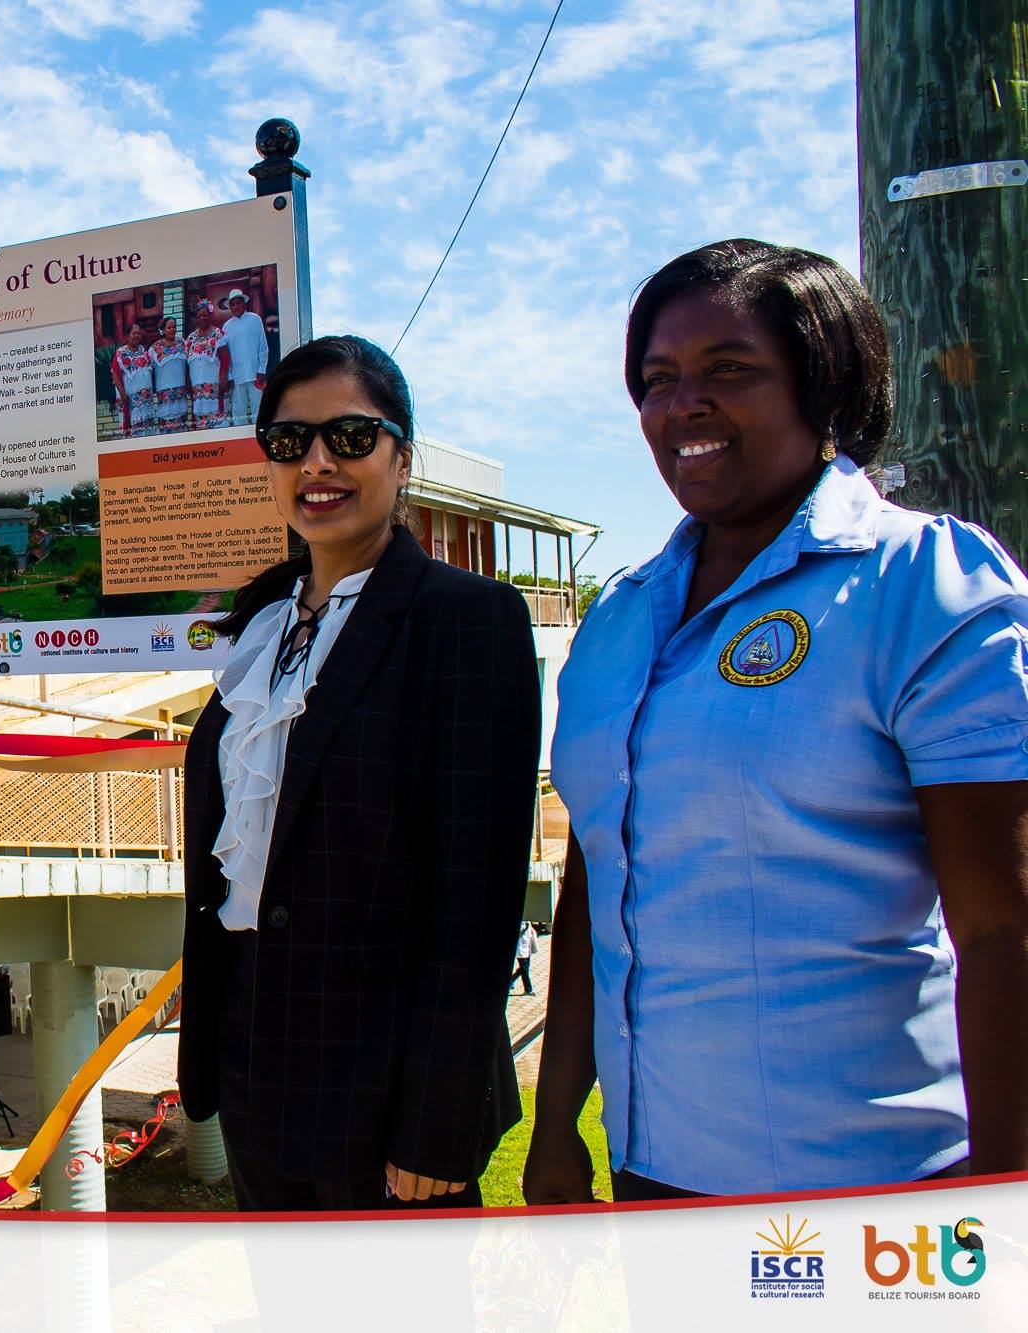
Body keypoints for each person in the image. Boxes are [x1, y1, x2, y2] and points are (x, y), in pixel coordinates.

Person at [525, 239, 1028, 1204]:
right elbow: (597, 871)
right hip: (653, 1174)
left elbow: (1005, 927)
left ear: (824, 384)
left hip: (869, 1188)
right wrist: (557, 1131)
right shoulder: (620, 618)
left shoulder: (921, 584)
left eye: (730, 369)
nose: (684, 405)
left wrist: (1002, 1209)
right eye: (658, 380)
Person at [178, 334, 542, 1210]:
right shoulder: (262, 618)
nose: (316, 463)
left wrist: (436, 1117)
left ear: (401, 456)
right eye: (288, 441)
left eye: (349, 436)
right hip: (254, 1062)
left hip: (384, 1087)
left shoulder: (467, 620)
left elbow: (479, 896)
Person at [219, 289, 269, 425]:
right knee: (238, 412)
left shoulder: (255, 319)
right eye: (233, 304)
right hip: (237, 376)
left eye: (238, 303)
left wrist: (262, 369)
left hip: (255, 374)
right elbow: (226, 354)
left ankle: (257, 440)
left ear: (244, 303)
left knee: (258, 409)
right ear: (230, 307)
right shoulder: (226, 327)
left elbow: (262, 346)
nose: (236, 307)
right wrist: (229, 375)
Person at [184, 301, 227, 428]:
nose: (202, 318)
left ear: (210, 315)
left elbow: (225, 360)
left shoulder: (218, 334)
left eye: (204, 315)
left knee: (218, 425)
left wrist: (223, 379)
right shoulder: (190, 339)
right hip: (197, 389)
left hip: (214, 385)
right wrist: (188, 383)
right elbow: (187, 365)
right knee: (202, 425)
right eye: (199, 317)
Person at [111, 323, 155, 438]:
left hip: (146, 399)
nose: (136, 336)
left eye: (138, 334)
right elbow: (114, 373)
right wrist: (122, 394)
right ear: (127, 336)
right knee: (134, 432)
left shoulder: (143, 350)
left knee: (146, 430)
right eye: (134, 333)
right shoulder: (121, 353)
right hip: (131, 399)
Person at [150, 317, 191, 434]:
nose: (172, 329)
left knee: (181, 426)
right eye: (169, 327)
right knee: (165, 427)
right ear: (163, 329)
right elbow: (148, 369)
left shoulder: (183, 344)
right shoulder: (155, 348)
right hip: (164, 393)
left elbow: (188, 366)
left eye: (174, 327)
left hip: (181, 390)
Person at [512, 921, 536, 996]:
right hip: (521, 949)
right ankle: (528, 990)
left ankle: (509, 982)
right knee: (524, 969)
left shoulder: (527, 920)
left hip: (527, 947)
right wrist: (525, 929)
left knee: (523, 968)